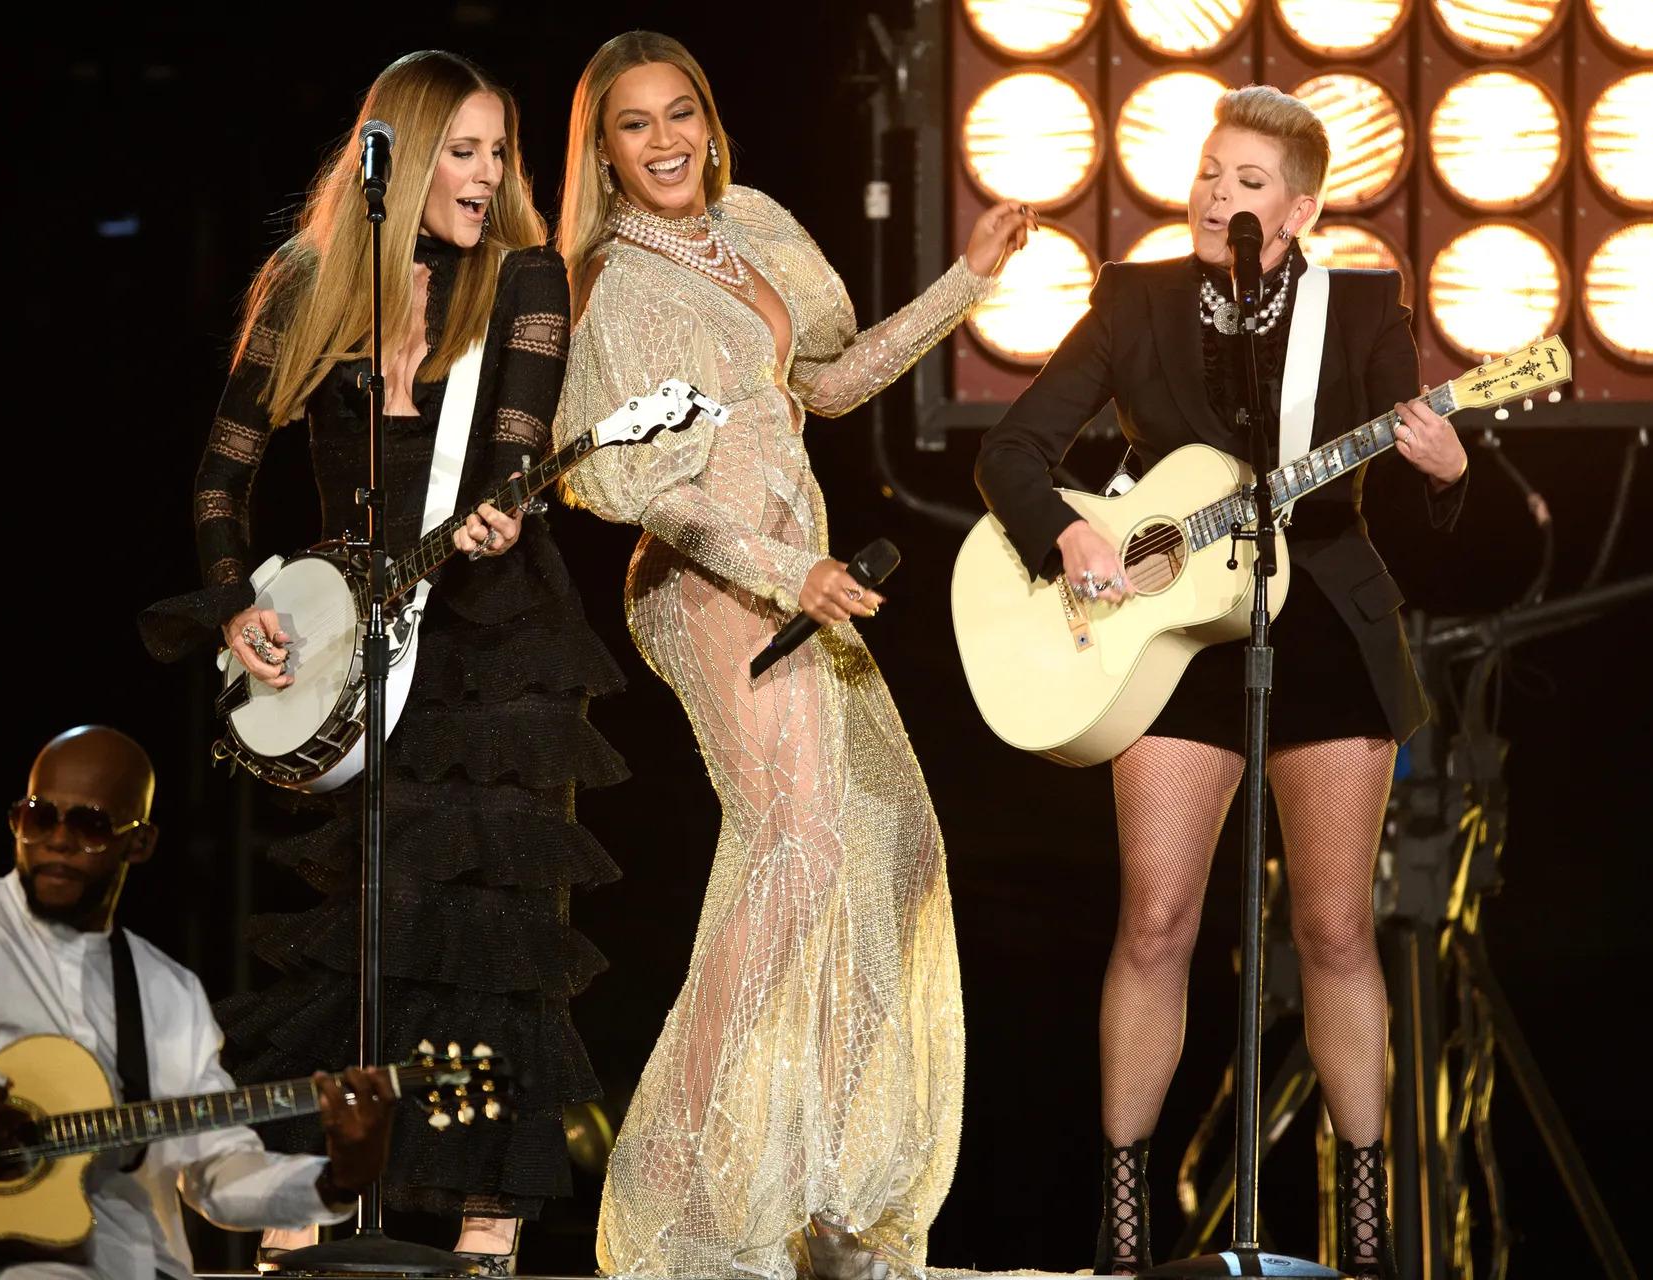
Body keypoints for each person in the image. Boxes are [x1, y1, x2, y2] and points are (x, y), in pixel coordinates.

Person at [551, 31, 1030, 1280]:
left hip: (796, 573)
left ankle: (817, 1179)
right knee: (805, 842)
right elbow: (654, 495)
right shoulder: (620, 284)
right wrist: (781, 570)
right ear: (603, 154)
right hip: (713, 581)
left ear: (710, 121)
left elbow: (828, 382)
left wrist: (966, 281)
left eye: (681, 114)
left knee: (889, 844)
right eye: (635, 125)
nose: (666, 142)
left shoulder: (749, 224)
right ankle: (672, 1172)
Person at [138, 50, 625, 1270]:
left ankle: (486, 1225)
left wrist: (494, 501)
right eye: (461, 151)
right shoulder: (308, 279)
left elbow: (517, 446)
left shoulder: (525, 276)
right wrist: (231, 601)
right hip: (359, 643)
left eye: (499, 151)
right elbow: (222, 473)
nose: (486, 174)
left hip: (497, 646)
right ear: (397, 161)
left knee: (497, 935)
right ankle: (305, 1201)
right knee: (369, 930)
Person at [975, 85, 1468, 1278]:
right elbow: (1012, 449)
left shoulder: (1362, 309)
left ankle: (1364, 1239)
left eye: (1247, 183)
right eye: (1208, 172)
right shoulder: (1134, 299)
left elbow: (1417, 517)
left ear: (1297, 212)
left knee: (1335, 926)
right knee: (1157, 918)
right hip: (1172, 632)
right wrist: (1068, 533)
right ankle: (1125, 1233)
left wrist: (1448, 472)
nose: (1216, 196)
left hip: (1328, 627)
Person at [0, 726, 398, 1280]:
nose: (57, 841)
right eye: (38, 817)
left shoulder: (169, 994)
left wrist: (336, 1180)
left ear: (139, 842)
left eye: (89, 825)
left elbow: (215, 1173)